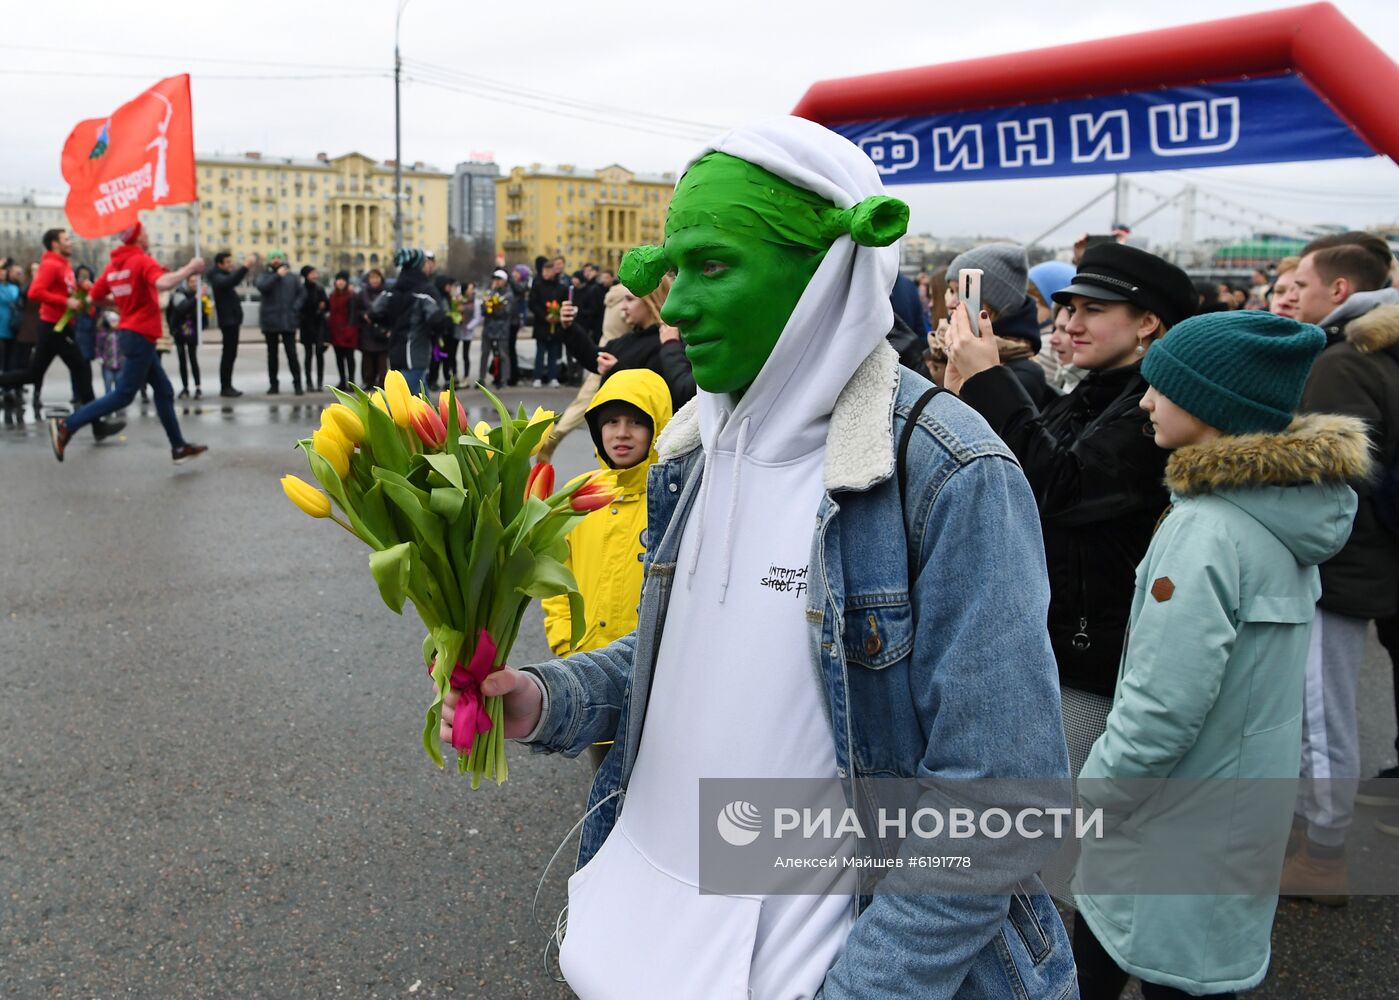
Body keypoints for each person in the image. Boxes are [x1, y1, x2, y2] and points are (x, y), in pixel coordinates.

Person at [440, 116, 1075, 999]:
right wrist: (543, 699)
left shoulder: (946, 470)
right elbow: (679, 659)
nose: (676, 305)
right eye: (672, 270)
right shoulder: (693, 449)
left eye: (712, 265)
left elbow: (996, 805)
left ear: (828, 272)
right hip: (630, 956)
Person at [1072, 310, 1363, 1000]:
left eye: (1160, 388)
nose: (1143, 401)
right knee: (1193, 975)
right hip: (1233, 811)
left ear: (1210, 405)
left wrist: (1098, 793)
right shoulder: (1281, 511)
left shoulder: (1204, 527)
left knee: (1100, 964)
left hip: (1168, 816)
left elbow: (1162, 703)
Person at [943, 242, 1197, 776]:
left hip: (1086, 661)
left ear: (1148, 322)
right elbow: (1011, 478)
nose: (1070, 323)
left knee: (1061, 825)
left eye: (1093, 310)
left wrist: (990, 380)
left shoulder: (1151, 408)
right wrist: (963, 393)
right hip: (1050, 641)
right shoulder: (1094, 393)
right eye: (1069, 308)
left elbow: (1062, 490)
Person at [1278, 231, 1399, 902]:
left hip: (1339, 564)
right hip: (1366, 557)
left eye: (1300, 281)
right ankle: (1310, 837)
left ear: (1339, 291)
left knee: (1319, 713)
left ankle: (1322, 855)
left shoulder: (1341, 359)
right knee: (1321, 708)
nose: (1289, 292)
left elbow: (1327, 484)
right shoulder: (1373, 349)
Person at [541, 367, 673, 767]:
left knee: (658, 773)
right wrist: (566, 641)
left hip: (658, 673)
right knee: (605, 780)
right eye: (611, 421)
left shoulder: (671, 497)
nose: (621, 433)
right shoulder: (578, 495)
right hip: (593, 665)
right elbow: (554, 576)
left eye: (636, 422)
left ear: (659, 428)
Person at [47, 222, 207, 464]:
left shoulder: (114, 266)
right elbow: (163, 283)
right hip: (141, 335)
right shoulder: (141, 260)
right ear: (136, 238)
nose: (148, 235)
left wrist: (119, 304)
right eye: (144, 232)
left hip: (132, 333)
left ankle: (178, 446)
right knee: (123, 395)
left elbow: (94, 298)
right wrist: (190, 268)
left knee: (163, 390)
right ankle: (66, 425)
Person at [0, 229, 120, 437]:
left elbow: (65, 292)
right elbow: (35, 292)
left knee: (33, 374)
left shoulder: (64, 265)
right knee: (82, 369)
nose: (70, 242)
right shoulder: (50, 264)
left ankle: (96, 425)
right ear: (55, 244)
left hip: (60, 326)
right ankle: (97, 425)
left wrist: (80, 291)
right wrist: (66, 301)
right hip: (54, 327)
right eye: (66, 240)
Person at [559, 276, 696, 411]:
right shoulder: (629, 339)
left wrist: (616, 370)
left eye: (630, 299)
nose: (623, 307)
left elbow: (655, 392)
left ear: (651, 302)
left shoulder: (668, 344)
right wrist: (570, 327)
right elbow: (595, 358)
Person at [946, 243, 1053, 406]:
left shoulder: (1025, 373)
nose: (951, 303)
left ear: (993, 304)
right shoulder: (942, 348)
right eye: (951, 291)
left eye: (963, 293)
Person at [536, 280, 628, 462]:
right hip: (618, 357)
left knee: (583, 403)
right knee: (616, 411)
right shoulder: (638, 296)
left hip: (604, 350)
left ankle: (556, 436)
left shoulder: (613, 295)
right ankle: (602, 450)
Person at [373, 248, 441, 394]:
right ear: (419, 266)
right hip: (414, 354)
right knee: (404, 404)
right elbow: (437, 318)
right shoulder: (425, 291)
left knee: (420, 401)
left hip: (396, 351)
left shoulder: (393, 290)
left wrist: (386, 325)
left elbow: (374, 311)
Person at [256, 249, 304, 395]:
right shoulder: (265, 276)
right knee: (272, 355)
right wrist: (277, 276)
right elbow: (262, 287)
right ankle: (273, 385)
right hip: (270, 321)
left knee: (292, 353)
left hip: (288, 321)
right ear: (270, 260)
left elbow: (301, 294)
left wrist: (295, 309)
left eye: (278, 257)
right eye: (273, 258)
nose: (276, 260)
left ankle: (297, 384)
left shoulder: (292, 277)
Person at [208, 251, 254, 397]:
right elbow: (231, 281)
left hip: (232, 321)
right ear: (219, 264)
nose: (231, 264)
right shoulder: (216, 276)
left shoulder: (220, 275)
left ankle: (227, 385)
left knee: (230, 354)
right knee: (228, 354)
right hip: (228, 321)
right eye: (227, 262)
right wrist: (245, 267)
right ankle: (225, 387)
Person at [529, 255, 568, 387]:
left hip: (556, 325)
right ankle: (537, 377)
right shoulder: (537, 285)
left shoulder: (561, 288)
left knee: (554, 352)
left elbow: (565, 303)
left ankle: (553, 377)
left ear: (553, 272)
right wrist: (544, 316)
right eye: (544, 271)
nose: (545, 274)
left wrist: (558, 316)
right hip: (541, 324)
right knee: (540, 352)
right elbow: (532, 303)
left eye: (548, 271)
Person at [165, 273, 203, 398]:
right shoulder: (179, 294)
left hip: (193, 330)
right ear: (187, 282)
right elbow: (182, 308)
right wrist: (172, 328)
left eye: (196, 281)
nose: (194, 284)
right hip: (180, 330)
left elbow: (204, 314)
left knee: (193, 358)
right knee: (182, 359)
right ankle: (185, 387)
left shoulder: (201, 296)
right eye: (192, 281)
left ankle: (198, 387)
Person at [478, 269, 514, 389]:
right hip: (488, 328)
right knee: (484, 353)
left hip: (502, 329)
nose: (496, 281)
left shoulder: (509, 294)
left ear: (505, 280)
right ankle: (481, 379)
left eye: (499, 279)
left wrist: (492, 306)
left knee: (503, 355)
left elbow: (504, 312)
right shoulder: (490, 293)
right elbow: (483, 310)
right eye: (495, 279)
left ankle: (504, 379)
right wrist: (489, 305)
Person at [357, 268, 391, 388]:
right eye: (372, 278)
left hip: (382, 330)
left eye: (377, 277)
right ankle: (368, 382)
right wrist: (364, 315)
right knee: (368, 360)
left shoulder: (387, 293)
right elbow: (358, 310)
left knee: (382, 361)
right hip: (367, 331)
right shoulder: (363, 293)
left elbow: (390, 310)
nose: (374, 280)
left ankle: (382, 383)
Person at [298, 265, 329, 392]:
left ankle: (319, 382)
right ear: (306, 275)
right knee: (308, 354)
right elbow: (298, 306)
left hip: (318, 325)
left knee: (319, 353)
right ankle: (309, 382)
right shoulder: (301, 289)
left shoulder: (319, 288)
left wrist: (323, 306)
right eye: (312, 273)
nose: (315, 276)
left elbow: (327, 305)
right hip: (306, 325)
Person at [326, 270, 358, 391]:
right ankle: (342, 381)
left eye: (343, 280)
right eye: (338, 280)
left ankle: (351, 382)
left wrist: (350, 329)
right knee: (339, 359)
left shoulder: (351, 296)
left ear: (346, 282)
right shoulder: (332, 295)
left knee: (350, 358)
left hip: (348, 332)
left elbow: (353, 314)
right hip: (336, 332)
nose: (340, 282)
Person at [95, 308, 121, 394]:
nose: (115, 323)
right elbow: (98, 347)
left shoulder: (121, 334)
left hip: (120, 364)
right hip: (107, 364)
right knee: (108, 385)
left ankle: (118, 401)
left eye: (116, 321)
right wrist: (99, 357)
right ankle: (108, 401)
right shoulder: (103, 334)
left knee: (119, 385)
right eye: (112, 321)